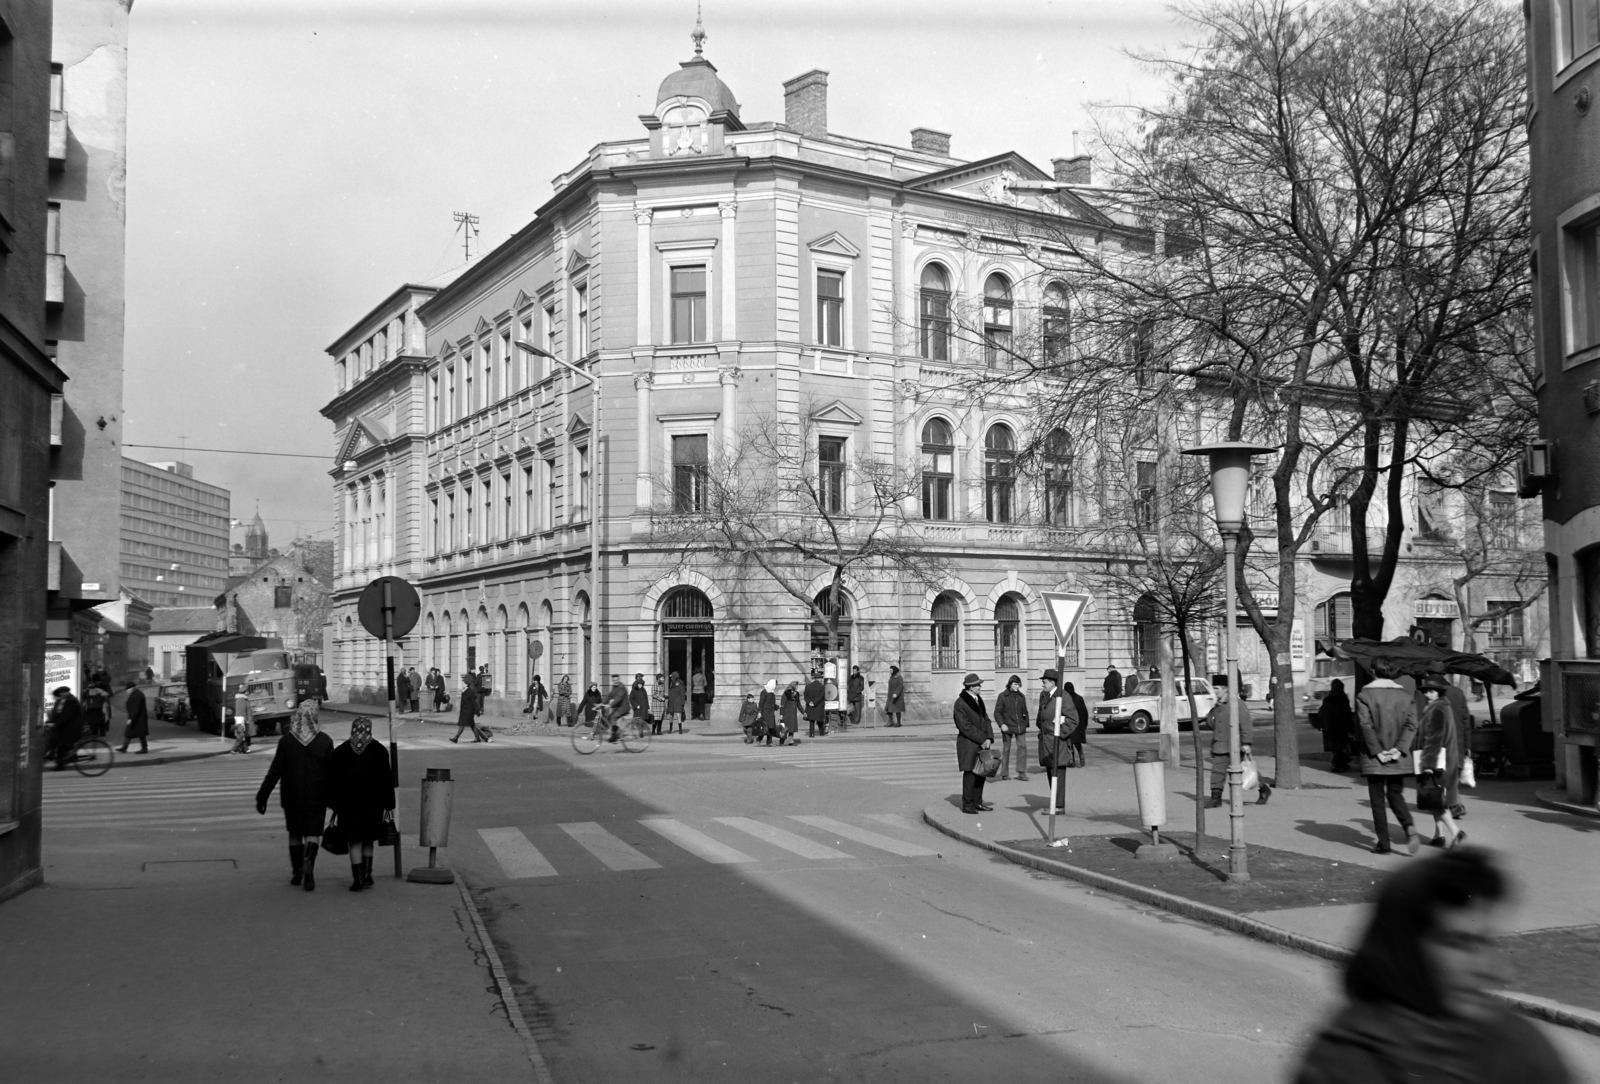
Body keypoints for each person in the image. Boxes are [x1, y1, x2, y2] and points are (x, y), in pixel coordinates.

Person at [1293, 848, 1570, 1084]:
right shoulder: (1341, 1065)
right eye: (1459, 943)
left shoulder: (1515, 1047)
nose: (1494, 970)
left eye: (1487, 942)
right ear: (1403, 947)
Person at [255, 703, 335, 891]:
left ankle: (297, 872)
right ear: (315, 717)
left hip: (292, 796)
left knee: (295, 833)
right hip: (317, 796)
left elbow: (275, 770)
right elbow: (333, 773)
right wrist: (335, 798)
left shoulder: (286, 741)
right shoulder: (325, 740)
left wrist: (262, 796)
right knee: (312, 833)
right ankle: (309, 866)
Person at [1356, 660, 1421, 855]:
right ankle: (1408, 825)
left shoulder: (1365, 694)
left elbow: (1365, 725)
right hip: (1398, 756)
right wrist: (1399, 749)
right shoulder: (1405, 695)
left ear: (1373, 671)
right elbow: (1412, 725)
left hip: (1374, 757)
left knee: (1377, 801)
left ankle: (1384, 843)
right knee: (1395, 794)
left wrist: (1378, 751)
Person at [329, 718, 396, 892]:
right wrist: (389, 804)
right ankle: (367, 875)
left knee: (354, 842)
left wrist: (334, 805)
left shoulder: (341, 751)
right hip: (373, 805)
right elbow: (387, 780)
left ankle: (358, 879)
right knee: (368, 839)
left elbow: (333, 782)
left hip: (349, 806)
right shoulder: (380, 751)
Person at [1203, 685, 1270, 808]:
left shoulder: (1237, 704)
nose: (1215, 691)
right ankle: (1215, 799)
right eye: (1214, 688)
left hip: (1235, 745)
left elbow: (1246, 724)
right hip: (1219, 744)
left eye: (1217, 688)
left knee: (1244, 771)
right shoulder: (1218, 705)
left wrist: (1246, 742)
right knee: (1217, 772)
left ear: (1225, 689)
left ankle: (1263, 788)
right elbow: (1211, 724)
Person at [1418, 676, 1465, 849]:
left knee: (1437, 800)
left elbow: (1434, 739)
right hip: (1444, 760)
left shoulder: (1437, 709)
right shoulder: (1441, 707)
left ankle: (1456, 833)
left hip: (1437, 762)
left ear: (1438, 692)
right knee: (1434, 798)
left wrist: (1428, 764)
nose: (1428, 695)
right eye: (1426, 691)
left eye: (1432, 691)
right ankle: (1438, 834)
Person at [954, 673, 995, 815]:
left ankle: (978, 802)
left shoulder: (978, 699)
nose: (980, 687)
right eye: (977, 685)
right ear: (970, 688)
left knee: (981, 773)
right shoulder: (960, 703)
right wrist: (982, 739)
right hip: (968, 743)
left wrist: (989, 737)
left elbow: (986, 719)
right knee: (970, 773)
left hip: (981, 742)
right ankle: (967, 804)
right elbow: (964, 726)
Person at [1036, 669, 1075, 812]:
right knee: (1051, 772)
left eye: (1044, 682)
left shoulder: (1063, 697)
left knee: (1057, 772)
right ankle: (1055, 803)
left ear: (1052, 683)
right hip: (1047, 741)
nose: (1042, 685)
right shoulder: (1046, 696)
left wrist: (1059, 734)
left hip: (1057, 742)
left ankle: (1058, 806)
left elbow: (1072, 720)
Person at [994, 675, 1029, 782]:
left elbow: (1025, 711)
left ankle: (1021, 772)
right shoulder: (1003, 696)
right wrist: (1001, 724)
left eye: (1019, 684)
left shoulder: (1021, 697)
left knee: (1022, 747)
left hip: (1019, 727)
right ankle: (1004, 773)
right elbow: (997, 712)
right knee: (1006, 749)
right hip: (1007, 726)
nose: (1017, 686)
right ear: (1010, 684)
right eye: (1015, 684)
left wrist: (1025, 723)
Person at [1317, 678, 1356, 773]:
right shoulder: (1343, 699)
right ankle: (1336, 765)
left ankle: (1339, 764)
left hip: (1329, 727)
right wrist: (1351, 728)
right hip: (1340, 727)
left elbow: (1321, 713)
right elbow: (1347, 715)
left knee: (1335, 748)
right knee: (1340, 747)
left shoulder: (1327, 699)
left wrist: (1320, 725)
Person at [48, 686, 84, 770]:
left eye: (60, 695)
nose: (58, 697)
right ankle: (67, 758)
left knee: (62, 744)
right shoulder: (63, 700)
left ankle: (61, 764)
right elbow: (58, 714)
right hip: (65, 727)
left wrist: (56, 724)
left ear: (64, 693)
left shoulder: (71, 701)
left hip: (71, 728)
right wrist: (51, 722)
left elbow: (66, 715)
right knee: (58, 743)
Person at [451, 673, 490, 743]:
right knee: (472, 725)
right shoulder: (464, 691)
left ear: (466, 684)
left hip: (468, 711)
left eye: (463, 683)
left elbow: (474, 702)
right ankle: (477, 738)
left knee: (462, 725)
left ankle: (456, 738)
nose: (462, 684)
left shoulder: (469, 691)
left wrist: (477, 711)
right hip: (464, 711)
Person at [1063, 681, 1090, 768]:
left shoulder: (1066, 699)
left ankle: (1071, 761)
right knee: (1077, 744)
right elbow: (1085, 713)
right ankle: (1082, 759)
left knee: (1070, 743)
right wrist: (1085, 724)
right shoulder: (1079, 698)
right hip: (1078, 725)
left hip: (1069, 725)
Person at [119, 679, 149, 755]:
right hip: (137, 718)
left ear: (132, 688)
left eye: (127, 689)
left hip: (138, 718)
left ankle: (144, 749)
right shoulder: (136, 694)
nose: (126, 691)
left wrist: (131, 718)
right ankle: (124, 748)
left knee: (140, 734)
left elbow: (136, 708)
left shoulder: (137, 695)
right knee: (130, 733)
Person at [603, 674, 629, 742]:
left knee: (613, 717)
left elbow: (618, 699)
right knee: (609, 717)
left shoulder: (621, 687)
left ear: (619, 679)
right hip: (617, 707)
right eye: (614, 680)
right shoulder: (614, 687)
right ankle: (616, 733)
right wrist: (602, 703)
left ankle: (614, 736)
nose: (615, 681)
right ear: (612, 680)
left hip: (623, 707)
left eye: (616, 680)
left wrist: (609, 705)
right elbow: (609, 696)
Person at [758, 679, 782, 745]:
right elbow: (761, 703)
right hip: (765, 712)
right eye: (775, 685)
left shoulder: (772, 692)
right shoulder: (764, 692)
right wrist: (759, 712)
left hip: (771, 713)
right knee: (765, 727)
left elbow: (771, 703)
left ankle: (769, 742)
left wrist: (777, 707)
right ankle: (759, 738)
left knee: (771, 727)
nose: (776, 686)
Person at [804, 669, 827, 737]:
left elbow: (805, 696)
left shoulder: (808, 686)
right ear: (819, 679)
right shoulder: (821, 686)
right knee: (820, 719)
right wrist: (814, 703)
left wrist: (810, 702)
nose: (821, 680)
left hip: (810, 705)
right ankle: (821, 732)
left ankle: (811, 733)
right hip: (819, 705)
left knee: (811, 720)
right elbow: (821, 696)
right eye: (821, 678)